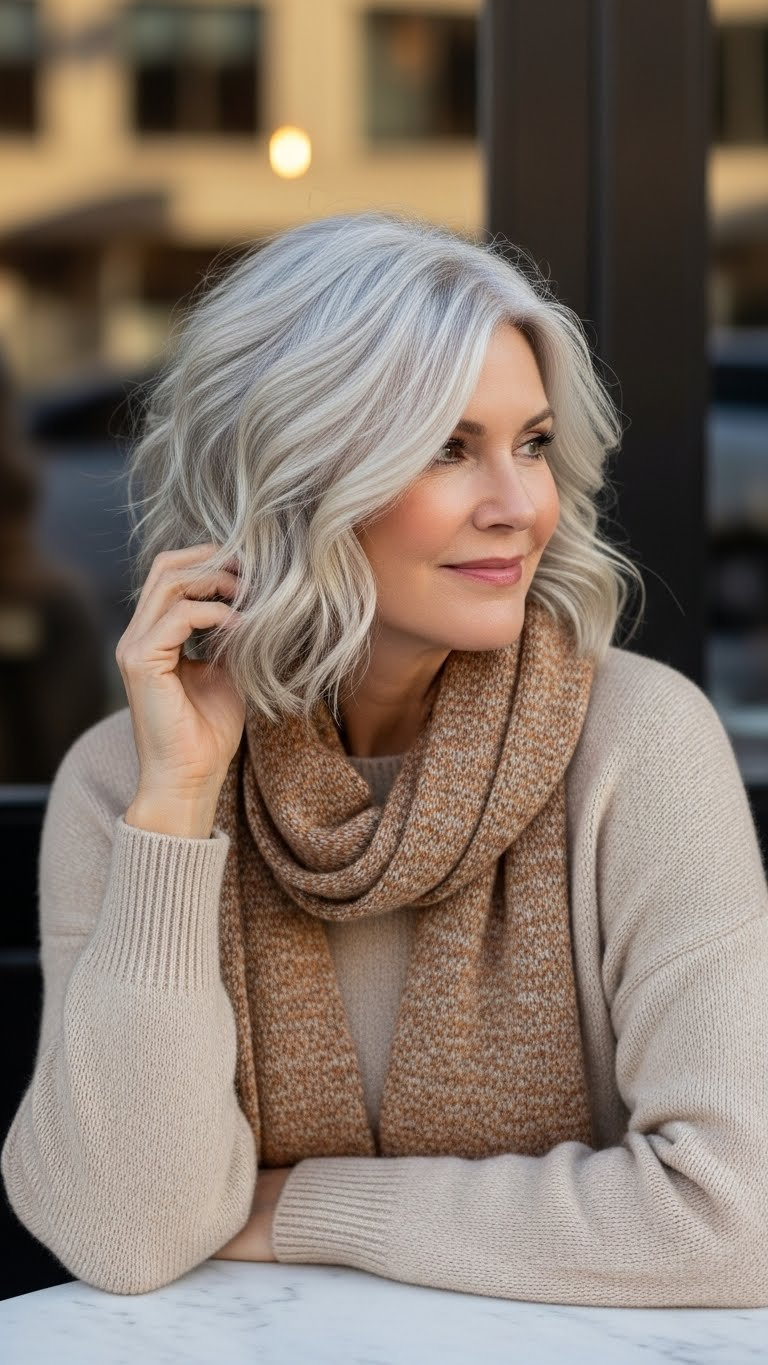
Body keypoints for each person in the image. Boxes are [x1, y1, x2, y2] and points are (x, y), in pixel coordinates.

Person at [2, 212, 767, 1305]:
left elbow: (736, 1218)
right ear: (296, 476)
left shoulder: (638, 745)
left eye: (534, 444)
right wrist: (174, 806)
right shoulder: (124, 779)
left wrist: (301, 1208)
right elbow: (128, 1233)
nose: (519, 506)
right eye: (448, 448)